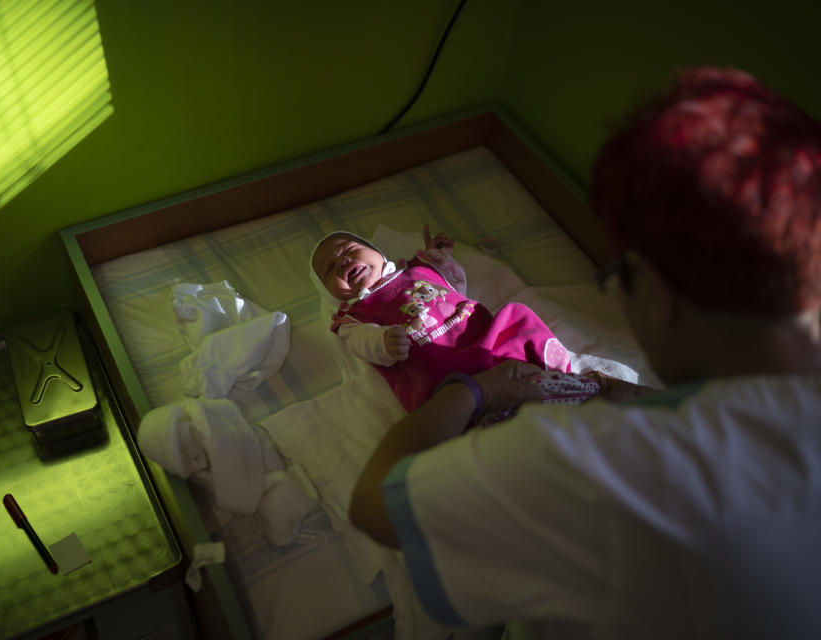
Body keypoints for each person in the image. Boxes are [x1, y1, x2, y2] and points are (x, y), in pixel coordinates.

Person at [348, 66, 821, 639]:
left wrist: (472, 389)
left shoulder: (590, 463)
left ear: (650, 288)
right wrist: (643, 398)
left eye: (617, 272)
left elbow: (376, 504)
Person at [309, 225, 607, 416]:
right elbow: (360, 342)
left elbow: (453, 289)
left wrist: (441, 257)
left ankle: (553, 374)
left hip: (484, 338)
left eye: (348, 251)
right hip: (441, 368)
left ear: (377, 253)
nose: (343, 261)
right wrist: (382, 342)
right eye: (330, 268)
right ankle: (492, 417)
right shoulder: (352, 316)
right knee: (451, 400)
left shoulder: (416, 268)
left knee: (516, 316)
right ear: (330, 292)